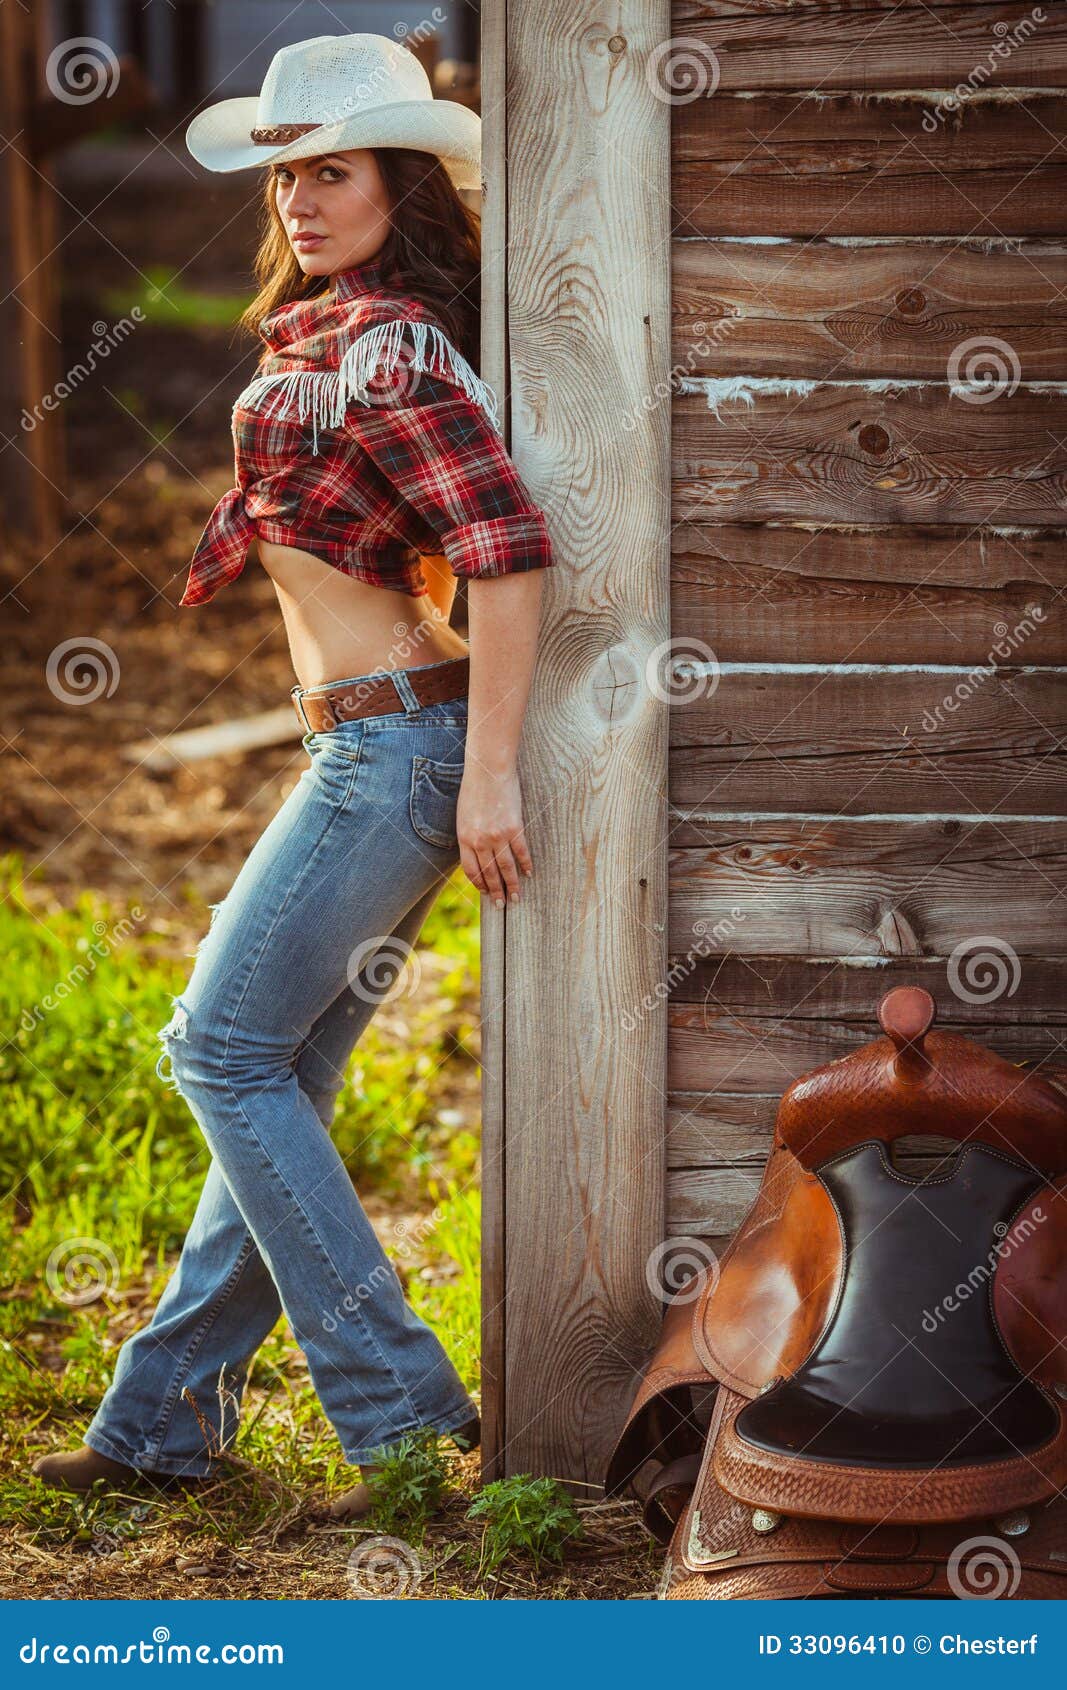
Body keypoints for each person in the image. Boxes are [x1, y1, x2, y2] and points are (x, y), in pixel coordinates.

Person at [32, 33, 555, 1518]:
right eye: (287, 176)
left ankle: (394, 1421)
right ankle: (157, 1426)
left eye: (333, 171)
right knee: (285, 1075)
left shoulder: (384, 348)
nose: (303, 202)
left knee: (218, 1049)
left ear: (400, 179)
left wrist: (492, 777)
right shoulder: (335, 334)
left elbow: (510, 551)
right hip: (374, 738)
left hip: (401, 749)